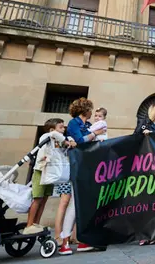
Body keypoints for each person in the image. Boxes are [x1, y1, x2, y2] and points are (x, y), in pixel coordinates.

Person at [58, 99, 107, 254]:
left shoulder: (87, 126)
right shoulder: (74, 123)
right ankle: (65, 241)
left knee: (83, 203)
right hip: (78, 165)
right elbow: (80, 140)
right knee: (74, 202)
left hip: (88, 166)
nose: (92, 113)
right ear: (85, 110)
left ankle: (82, 240)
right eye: (90, 110)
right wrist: (94, 134)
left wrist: (95, 134)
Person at [24, 118, 76, 235]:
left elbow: (61, 152)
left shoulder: (56, 141)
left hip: (50, 173)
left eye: (64, 127)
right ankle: (29, 224)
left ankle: (36, 224)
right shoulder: (46, 136)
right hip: (40, 171)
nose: (63, 130)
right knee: (37, 198)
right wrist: (66, 141)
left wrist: (69, 143)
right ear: (52, 129)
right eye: (61, 127)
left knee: (45, 198)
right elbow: (53, 135)